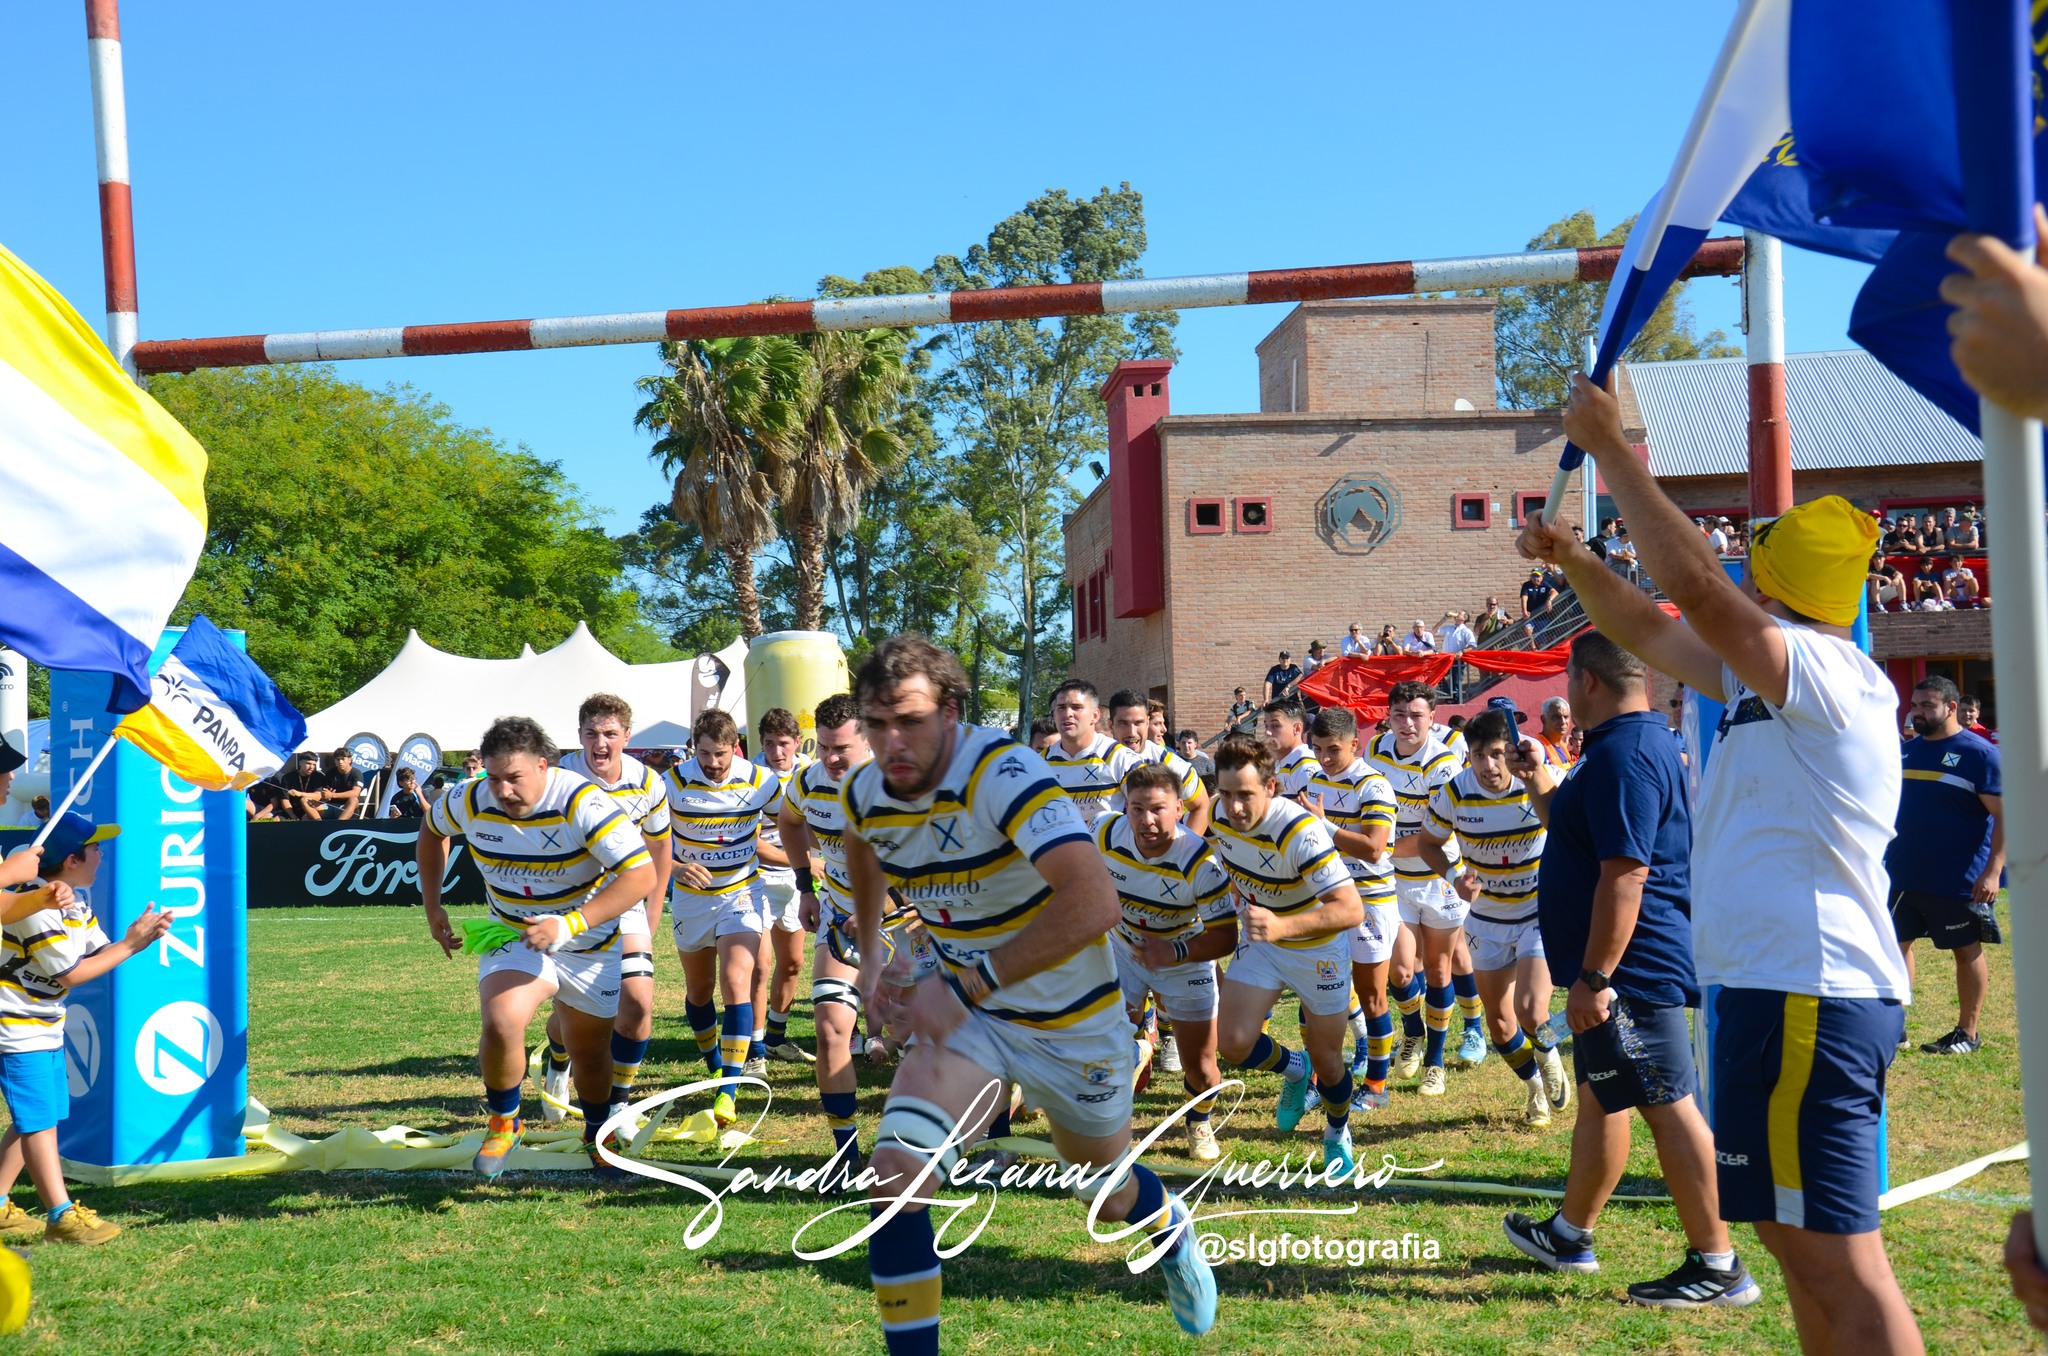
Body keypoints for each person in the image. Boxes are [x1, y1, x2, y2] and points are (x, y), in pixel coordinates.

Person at [1530, 372, 1918, 1349]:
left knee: (1834, 1251)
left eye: (1757, 571)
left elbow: (1694, 592)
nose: (1737, 580)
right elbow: (1650, 628)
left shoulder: (1827, 676)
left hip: (1810, 993)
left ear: (1779, 590)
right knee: (1791, 1241)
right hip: (1767, 987)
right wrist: (1576, 559)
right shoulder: (1769, 685)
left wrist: (1614, 453)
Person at [840, 634, 1218, 1348]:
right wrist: (870, 957)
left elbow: (1094, 902)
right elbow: (863, 842)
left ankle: (1173, 1235)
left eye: (910, 721)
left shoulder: (1003, 773)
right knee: (893, 1180)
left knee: (1102, 1189)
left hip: (1071, 1021)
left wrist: (971, 981)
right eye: (876, 721)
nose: (891, 741)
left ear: (950, 713)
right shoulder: (868, 789)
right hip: (970, 1025)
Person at [1499, 632, 1760, 1308]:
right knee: (1604, 1095)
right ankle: (1570, 1234)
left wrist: (1594, 978)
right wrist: (1538, 785)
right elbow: (1585, 833)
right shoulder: (1615, 749)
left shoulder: (1627, 755)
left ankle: (1719, 1264)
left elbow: (1627, 871)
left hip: (1629, 972)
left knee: (1668, 1107)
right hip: (1617, 970)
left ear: (1587, 681)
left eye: (1565, 678)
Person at [416, 716, 655, 1177]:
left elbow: (640, 874)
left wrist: (569, 923)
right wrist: (433, 907)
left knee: (589, 1055)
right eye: (494, 777)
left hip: (589, 944)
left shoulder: (583, 803)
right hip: (512, 933)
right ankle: (505, 1121)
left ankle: (597, 1130)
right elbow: (431, 831)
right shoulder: (468, 798)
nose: (503, 790)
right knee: (503, 1018)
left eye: (514, 778)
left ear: (543, 766)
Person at [0, 815, 170, 1244]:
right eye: (95, 848)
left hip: (42, 1024)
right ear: (73, 859)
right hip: (15, 1029)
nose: (101, 854)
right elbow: (72, 975)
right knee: (38, 1121)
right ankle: (61, 1216)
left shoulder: (72, 901)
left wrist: (135, 938)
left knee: (38, 1117)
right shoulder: (35, 906)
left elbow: (98, 952)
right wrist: (131, 945)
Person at [1208, 733, 1366, 1178]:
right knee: (1234, 1044)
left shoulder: (1300, 831)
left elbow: (1351, 910)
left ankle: (1336, 1131)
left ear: (1271, 788)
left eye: (1246, 795)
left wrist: (1280, 924)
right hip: (1264, 944)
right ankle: (1296, 1069)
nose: (1235, 807)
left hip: (1318, 950)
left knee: (1332, 1062)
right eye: (1226, 794)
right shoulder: (1219, 817)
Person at [1416, 710, 1569, 1127]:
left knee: (1533, 1013)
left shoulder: (1541, 777)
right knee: (1500, 1026)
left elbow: (1575, 824)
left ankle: (1550, 1048)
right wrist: (1453, 876)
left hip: (1539, 910)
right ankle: (1535, 1087)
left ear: (1513, 751)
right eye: (1477, 754)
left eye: (1497, 754)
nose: (1487, 765)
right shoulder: (1454, 792)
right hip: (1485, 918)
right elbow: (1428, 843)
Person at [545, 693, 676, 1129]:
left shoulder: (648, 782)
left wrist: (652, 911)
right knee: (575, 1015)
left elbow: (659, 847)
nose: (600, 743)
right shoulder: (559, 775)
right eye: (591, 734)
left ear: (627, 737)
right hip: (569, 908)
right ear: (578, 735)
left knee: (637, 1003)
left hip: (626, 902)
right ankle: (559, 1059)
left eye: (610, 734)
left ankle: (619, 1105)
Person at [1098, 762, 1235, 1161]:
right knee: (1106, 1046)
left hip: (1185, 960)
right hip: (1121, 950)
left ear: (1180, 808)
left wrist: (1172, 952)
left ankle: (1199, 1122)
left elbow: (1226, 937)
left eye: (1158, 808)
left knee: (1203, 1068)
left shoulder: (1201, 863)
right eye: (1137, 808)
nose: (1147, 820)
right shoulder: (1105, 831)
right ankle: (1111, 1131)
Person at [663, 708, 785, 1127]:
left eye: (720, 754)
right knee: (699, 990)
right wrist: (677, 869)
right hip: (691, 900)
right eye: (704, 754)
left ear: (736, 747)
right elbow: (648, 839)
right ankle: (715, 1062)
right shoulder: (674, 782)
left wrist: (808, 858)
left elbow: (791, 818)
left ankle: (728, 1089)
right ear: (692, 749)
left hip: (742, 894)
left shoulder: (759, 780)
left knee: (738, 980)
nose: (713, 763)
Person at [779, 693, 874, 1174]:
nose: (832, 759)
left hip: (909, 923)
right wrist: (805, 887)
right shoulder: (807, 782)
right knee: (831, 1026)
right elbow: (789, 821)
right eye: (825, 748)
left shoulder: (901, 785)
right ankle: (846, 1155)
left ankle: (991, 1136)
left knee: (939, 1036)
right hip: (839, 915)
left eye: (843, 749)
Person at [1886, 676, 2003, 1057]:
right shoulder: (1905, 751)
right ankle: (1894, 1028)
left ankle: (1967, 1033)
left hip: (1957, 879)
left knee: (1964, 949)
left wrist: (1993, 871)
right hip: (1903, 872)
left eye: (1927, 706)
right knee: (1894, 947)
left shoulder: (1979, 754)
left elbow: (2007, 816)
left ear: (1951, 708)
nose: (1916, 712)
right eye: (1914, 705)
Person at [1367, 681, 1471, 1093]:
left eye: (1416, 715)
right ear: (1388, 715)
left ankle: (1435, 1061)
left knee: (1441, 970)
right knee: (1400, 970)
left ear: (1432, 718)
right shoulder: (1375, 751)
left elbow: (1435, 833)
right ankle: (1413, 1033)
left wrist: (1377, 846)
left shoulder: (1443, 763)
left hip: (1437, 877)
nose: (1407, 724)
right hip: (1394, 878)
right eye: (1399, 715)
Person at [1302, 707, 1399, 1113]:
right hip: (1327, 899)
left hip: (1371, 903)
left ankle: (1376, 1086)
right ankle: (1317, 1078)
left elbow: (1375, 849)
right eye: (1319, 749)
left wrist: (1323, 826)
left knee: (1372, 994)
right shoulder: (1315, 781)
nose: (1325, 758)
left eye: (1333, 750)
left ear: (1355, 745)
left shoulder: (1373, 785)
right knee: (1316, 995)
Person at [749, 708, 813, 1072]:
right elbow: (754, 842)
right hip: (756, 878)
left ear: (796, 742)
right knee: (761, 966)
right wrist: (802, 861)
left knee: (792, 963)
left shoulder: (808, 773)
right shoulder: (752, 778)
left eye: (783, 744)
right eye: (770, 743)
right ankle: (754, 1050)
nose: (777, 751)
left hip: (794, 878)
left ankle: (775, 1037)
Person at [1106, 689, 1211, 838]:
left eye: (1138, 723)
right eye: (1123, 723)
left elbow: (1201, 806)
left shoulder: (1166, 760)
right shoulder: (1095, 760)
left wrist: (1181, 852)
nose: (1132, 732)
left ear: (1147, 722)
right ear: (1111, 725)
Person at [1043, 680, 1140, 826]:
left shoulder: (1120, 758)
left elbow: (1150, 808)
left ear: (1095, 716)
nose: (1068, 713)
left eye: (1076, 707)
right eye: (1061, 708)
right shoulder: (1040, 763)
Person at [1259, 698, 1321, 803]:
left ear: (1297, 728)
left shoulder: (1306, 769)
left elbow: (1313, 817)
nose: (1267, 732)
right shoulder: (1278, 762)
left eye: (1275, 726)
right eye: (1266, 726)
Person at [276, 750, 326, 820]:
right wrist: (293, 816)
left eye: (314, 764)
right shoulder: (288, 777)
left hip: (309, 808)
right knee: (276, 819)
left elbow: (318, 795)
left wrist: (300, 794)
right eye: (308, 763)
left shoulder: (318, 776)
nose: (311, 767)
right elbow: (285, 800)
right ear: (300, 763)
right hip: (291, 809)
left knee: (306, 818)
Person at [321, 749, 365, 820]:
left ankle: (339, 825)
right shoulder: (330, 773)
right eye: (338, 759)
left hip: (347, 807)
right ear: (335, 761)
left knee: (353, 800)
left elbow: (355, 793)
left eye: (343, 759)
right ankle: (319, 825)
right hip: (330, 805)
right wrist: (325, 795)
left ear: (349, 760)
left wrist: (332, 795)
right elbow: (326, 792)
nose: (340, 762)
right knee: (306, 815)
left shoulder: (356, 773)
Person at [1536, 697, 1574, 768]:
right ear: (1543, 720)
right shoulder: (1538, 748)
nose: (1563, 722)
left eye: (1566, 717)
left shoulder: (1562, 745)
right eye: (1556, 717)